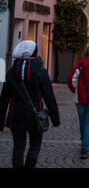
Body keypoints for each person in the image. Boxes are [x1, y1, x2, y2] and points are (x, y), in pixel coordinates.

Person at [0, 40, 60, 168]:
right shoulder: (41, 71)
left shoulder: (11, 72)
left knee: (18, 147)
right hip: (35, 116)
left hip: (16, 116)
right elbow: (49, 97)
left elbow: (4, 98)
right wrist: (55, 119)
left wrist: (1, 121)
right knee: (35, 145)